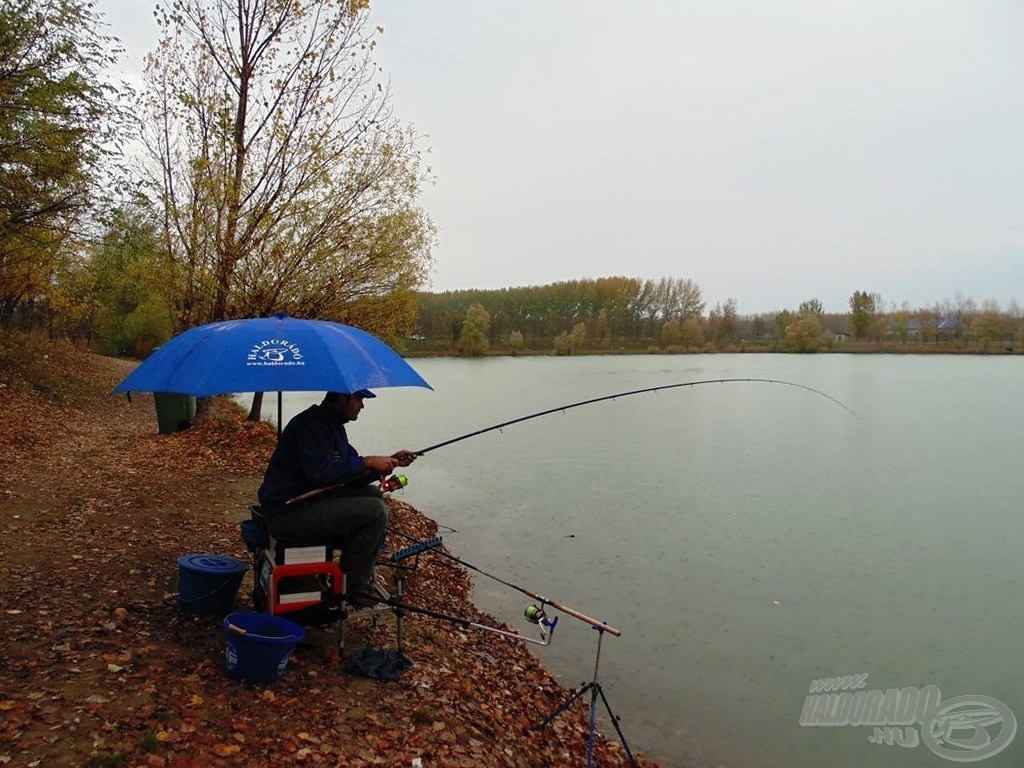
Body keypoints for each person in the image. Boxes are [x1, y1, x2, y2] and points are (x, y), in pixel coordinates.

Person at [257, 389, 417, 606]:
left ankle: (355, 572)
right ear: (342, 398)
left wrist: (388, 463)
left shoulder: (332, 426)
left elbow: (349, 474)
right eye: (359, 399)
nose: (362, 405)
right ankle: (351, 588)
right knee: (375, 512)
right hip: (288, 512)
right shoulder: (310, 425)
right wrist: (367, 461)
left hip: (309, 502)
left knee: (373, 494)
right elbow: (320, 474)